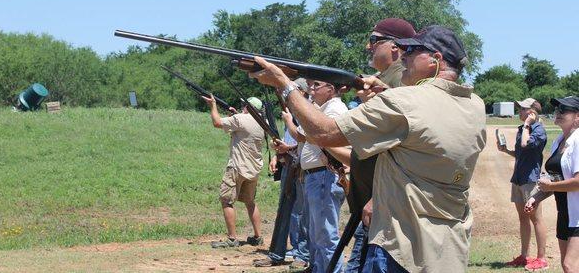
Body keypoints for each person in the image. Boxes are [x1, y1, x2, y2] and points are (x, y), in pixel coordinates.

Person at [248, 25, 486, 273]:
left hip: (399, 246)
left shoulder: (403, 102)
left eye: (412, 50)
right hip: (447, 247)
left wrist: (285, 85)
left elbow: (324, 132)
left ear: (436, 59)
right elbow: (426, 121)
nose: (403, 55)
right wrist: (386, 93)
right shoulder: (475, 106)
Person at [345, 18, 415, 273]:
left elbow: (400, 148)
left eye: (374, 40)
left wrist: (378, 198)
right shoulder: (386, 78)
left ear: (395, 47)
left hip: (381, 204)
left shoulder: (399, 80)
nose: (368, 46)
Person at [282, 79, 350, 273]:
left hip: (324, 175)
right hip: (317, 175)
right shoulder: (322, 108)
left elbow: (304, 135)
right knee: (317, 233)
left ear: (331, 88)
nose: (311, 89)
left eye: (316, 85)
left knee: (325, 235)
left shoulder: (334, 109)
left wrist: (289, 120)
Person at [254, 78, 310, 268]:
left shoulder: (308, 111)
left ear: (301, 92)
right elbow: (289, 138)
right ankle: (276, 254)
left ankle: (302, 255)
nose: (286, 93)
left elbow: (308, 139)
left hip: (302, 166)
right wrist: (277, 155)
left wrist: (289, 147)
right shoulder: (291, 112)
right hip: (289, 164)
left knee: (302, 213)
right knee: (284, 210)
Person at [202, 94, 265, 248]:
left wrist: (213, 106)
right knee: (250, 202)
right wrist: (236, 115)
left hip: (237, 167)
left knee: (226, 200)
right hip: (253, 169)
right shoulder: (263, 122)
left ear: (248, 108)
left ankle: (232, 238)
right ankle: (258, 236)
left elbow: (217, 123)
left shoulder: (241, 119)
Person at [525, 96, 579, 273]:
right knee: (567, 265)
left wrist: (550, 187)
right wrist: (537, 197)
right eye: (557, 109)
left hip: (578, 215)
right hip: (565, 213)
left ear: (577, 116)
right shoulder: (558, 142)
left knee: (570, 266)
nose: (558, 112)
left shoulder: (578, 142)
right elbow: (554, 180)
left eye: (563, 110)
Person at [496, 98, 548, 269]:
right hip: (518, 179)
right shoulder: (522, 129)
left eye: (523, 108)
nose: (519, 111)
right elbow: (521, 154)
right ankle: (524, 256)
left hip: (531, 181)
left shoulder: (538, 131)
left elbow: (526, 144)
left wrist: (527, 124)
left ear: (532, 112)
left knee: (536, 219)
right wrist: (506, 151)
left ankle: (541, 258)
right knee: (523, 218)